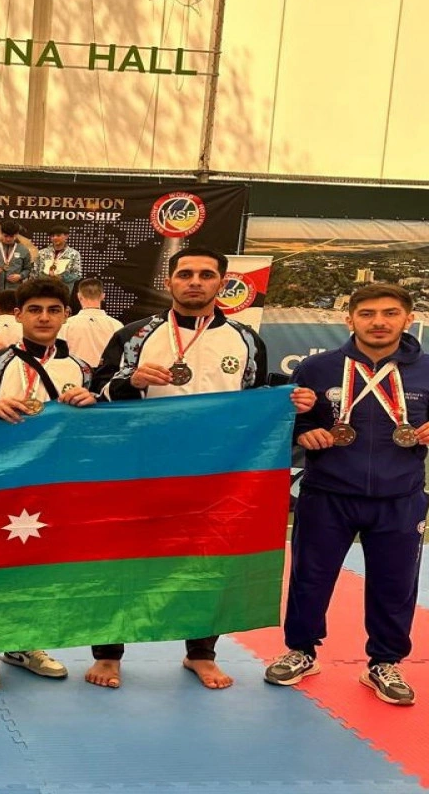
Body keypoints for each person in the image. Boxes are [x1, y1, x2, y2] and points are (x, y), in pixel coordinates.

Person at [87, 247, 315, 691]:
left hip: (216, 474)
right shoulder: (135, 335)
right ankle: (109, 654)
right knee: (124, 562)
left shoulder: (247, 340)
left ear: (221, 284)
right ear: (169, 282)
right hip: (142, 469)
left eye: (206, 275)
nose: (195, 281)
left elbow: (253, 405)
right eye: (186, 274)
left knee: (209, 563)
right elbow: (97, 393)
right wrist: (132, 382)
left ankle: (200, 653)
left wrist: (288, 404)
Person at [264, 283, 429, 706]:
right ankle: (301, 651)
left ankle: (384, 662)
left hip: (400, 497)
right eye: (368, 313)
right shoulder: (316, 369)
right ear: (349, 319)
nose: (378, 322)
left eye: (390, 313)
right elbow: (292, 418)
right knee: (309, 578)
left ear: (408, 319)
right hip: (327, 493)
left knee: (395, 584)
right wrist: (305, 433)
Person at [0, 277, 97, 691]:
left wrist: (92, 405)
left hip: (54, 485)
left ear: (66, 314)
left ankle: (22, 643)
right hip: (0, 483)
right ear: (17, 315)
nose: (44, 318)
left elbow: (95, 431)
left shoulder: (80, 369)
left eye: (53, 310)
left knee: (38, 567)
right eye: (34, 310)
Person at [59, 280, 123, 365]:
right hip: (106, 372)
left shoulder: (66, 325)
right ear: (103, 296)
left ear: (79, 296)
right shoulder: (116, 325)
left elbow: (58, 357)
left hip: (73, 371)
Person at [0, 221, 32, 291]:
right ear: (1, 233)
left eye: (11, 236)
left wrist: (20, 276)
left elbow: (28, 269)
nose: (8, 239)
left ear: (16, 234)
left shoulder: (24, 250)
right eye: (5, 236)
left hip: (15, 290)